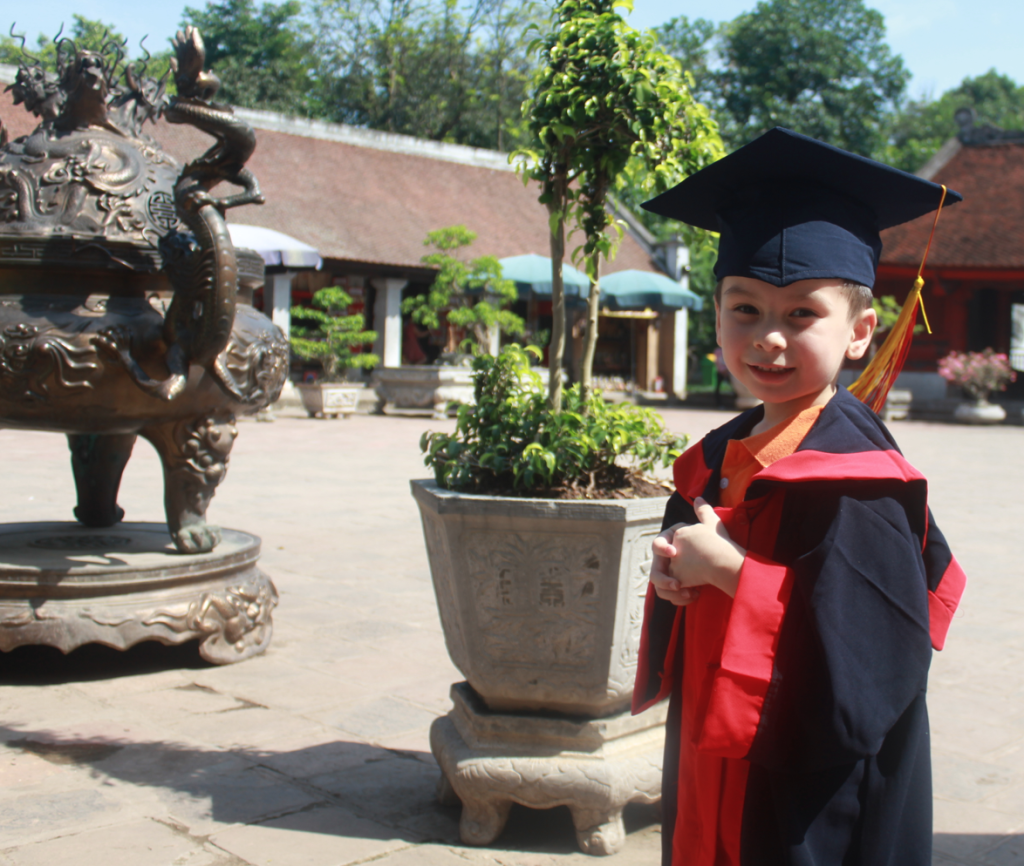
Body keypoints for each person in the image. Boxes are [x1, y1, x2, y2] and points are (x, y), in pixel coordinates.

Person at [631, 128, 968, 865]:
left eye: (801, 314)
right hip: (714, 749)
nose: (768, 338)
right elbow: (695, 570)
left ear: (861, 333)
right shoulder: (717, 454)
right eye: (744, 309)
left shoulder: (862, 478)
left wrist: (729, 573)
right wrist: (674, 577)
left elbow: (875, 658)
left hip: (811, 792)